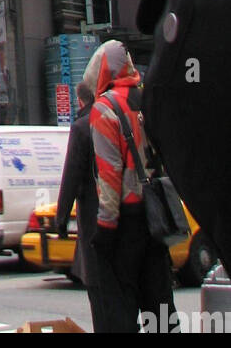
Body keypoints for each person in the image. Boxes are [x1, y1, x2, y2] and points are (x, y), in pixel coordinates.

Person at [83, 39, 177, 333]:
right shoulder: (146, 99)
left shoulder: (104, 108)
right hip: (155, 215)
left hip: (124, 221)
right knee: (160, 310)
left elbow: (110, 176)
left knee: (119, 309)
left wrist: (104, 230)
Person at [55, 82, 98, 301]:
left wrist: (61, 219)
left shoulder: (82, 127)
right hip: (126, 212)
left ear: (79, 100)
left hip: (93, 215)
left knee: (99, 287)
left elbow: (71, 176)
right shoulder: (121, 115)